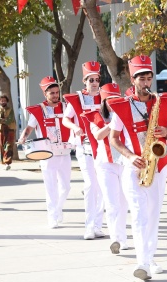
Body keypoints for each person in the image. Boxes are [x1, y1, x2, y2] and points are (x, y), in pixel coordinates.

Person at [107, 55, 167, 280]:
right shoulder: (124, 106)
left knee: (153, 215)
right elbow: (113, 138)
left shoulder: (161, 102)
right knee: (139, 214)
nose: (147, 83)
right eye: (142, 79)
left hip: (158, 164)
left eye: (149, 78)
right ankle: (142, 262)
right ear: (132, 79)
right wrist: (129, 156)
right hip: (133, 167)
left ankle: (149, 257)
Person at [81, 83, 130, 254]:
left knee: (123, 203)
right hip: (104, 164)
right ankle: (115, 239)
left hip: (124, 163)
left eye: (117, 99)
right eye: (110, 99)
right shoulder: (95, 115)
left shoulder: (127, 113)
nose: (114, 102)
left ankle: (122, 238)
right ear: (104, 101)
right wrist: (115, 122)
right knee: (111, 203)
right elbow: (98, 135)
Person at [18, 76, 73, 228]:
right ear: (45, 94)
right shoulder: (39, 110)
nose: (56, 95)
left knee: (66, 187)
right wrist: (23, 137)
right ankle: (52, 216)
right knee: (50, 186)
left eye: (57, 92)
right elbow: (29, 128)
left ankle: (58, 208)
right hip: (47, 154)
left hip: (65, 152)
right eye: (52, 93)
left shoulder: (66, 107)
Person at [62, 61, 105, 240]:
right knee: (90, 185)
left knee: (103, 186)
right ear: (84, 81)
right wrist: (74, 127)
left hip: (103, 147)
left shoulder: (105, 96)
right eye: (90, 80)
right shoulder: (78, 98)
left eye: (97, 79)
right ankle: (89, 226)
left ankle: (98, 225)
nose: (94, 83)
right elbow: (65, 119)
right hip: (85, 146)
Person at [0, 94, 16, 170]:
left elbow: (10, 120)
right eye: (1, 101)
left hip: (10, 130)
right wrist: (3, 120)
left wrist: (1, 120)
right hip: (0, 130)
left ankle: (8, 162)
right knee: (1, 146)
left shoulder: (10, 110)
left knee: (9, 146)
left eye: (4, 100)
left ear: (7, 101)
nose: (3, 102)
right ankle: (3, 161)